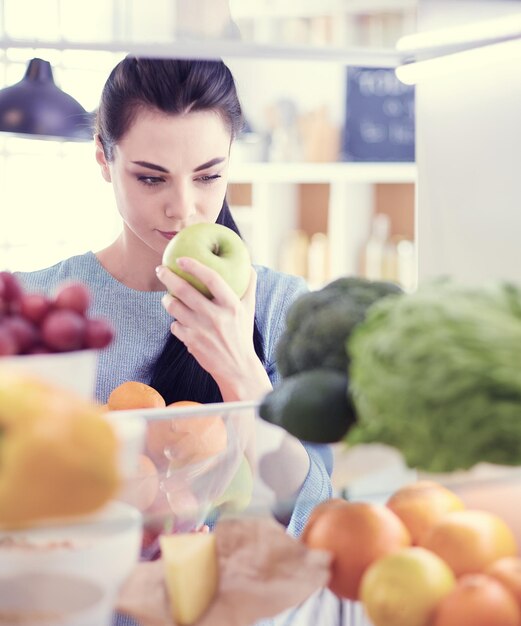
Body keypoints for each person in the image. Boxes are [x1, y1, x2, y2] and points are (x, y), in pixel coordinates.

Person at [16, 56, 333, 606]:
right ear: (102, 157)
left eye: (209, 175)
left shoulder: (281, 307)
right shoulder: (41, 309)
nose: (184, 209)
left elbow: (312, 521)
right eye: (151, 177)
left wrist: (239, 369)